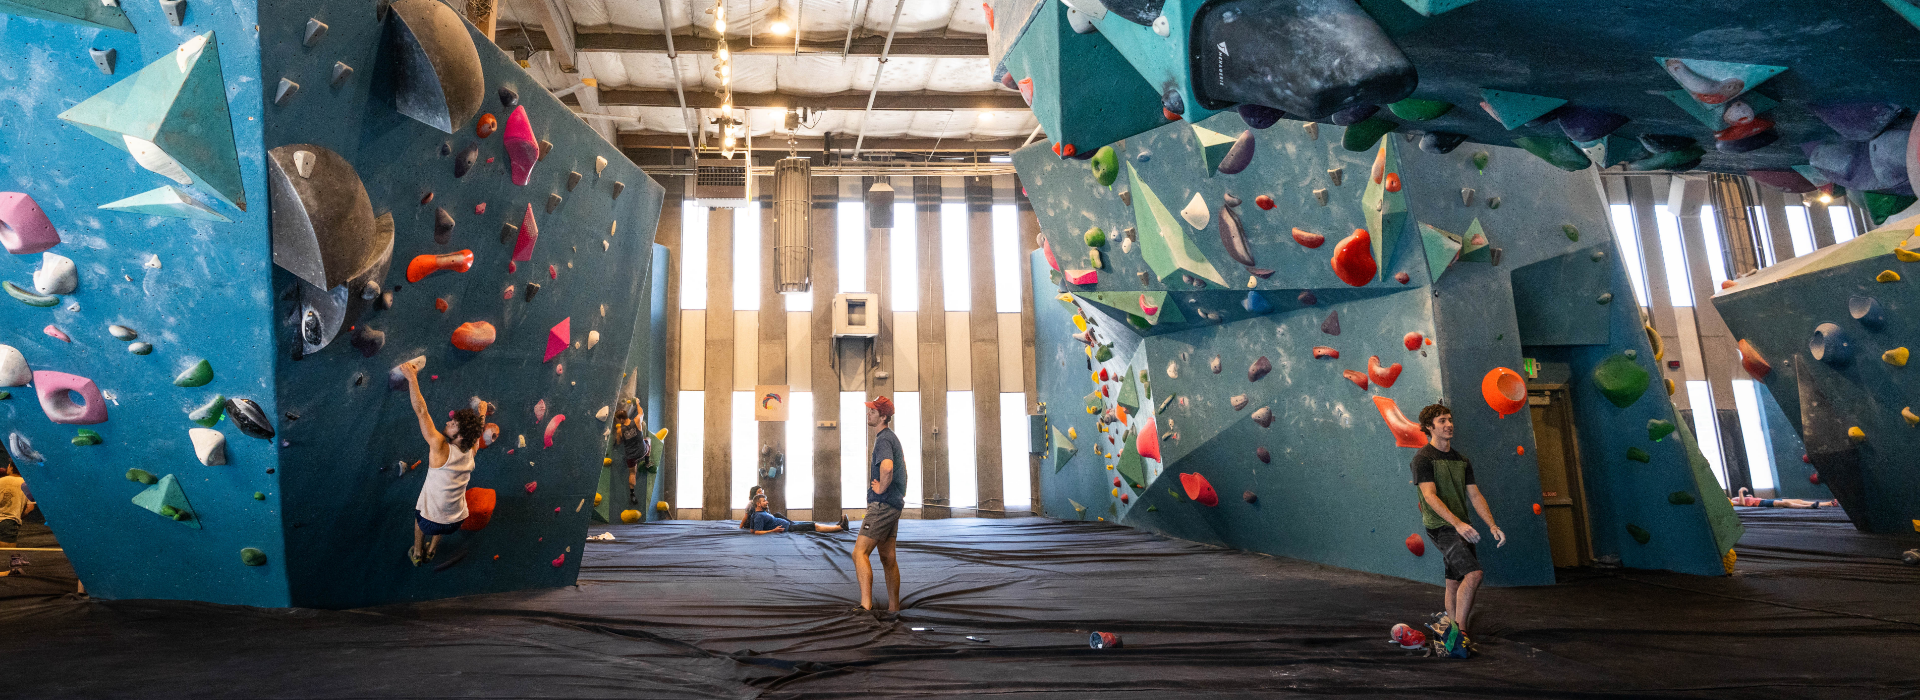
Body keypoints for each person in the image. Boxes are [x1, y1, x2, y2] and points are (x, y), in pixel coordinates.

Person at [1412, 403, 1504, 638]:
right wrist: (1458, 524)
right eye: (1442, 420)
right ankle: (1459, 633)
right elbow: (1430, 496)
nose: (1449, 424)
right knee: (1473, 575)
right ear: (1428, 427)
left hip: (1461, 525)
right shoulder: (1423, 459)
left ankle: (1450, 627)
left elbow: (1475, 494)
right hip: (1441, 526)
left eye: (1450, 419)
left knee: (1454, 581)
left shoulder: (1462, 460)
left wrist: (1492, 524)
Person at [399, 362, 484, 566]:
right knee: (442, 521)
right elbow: (478, 432)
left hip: (431, 521)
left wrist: (412, 378)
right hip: (455, 521)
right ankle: (433, 549)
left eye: (453, 424)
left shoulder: (440, 447)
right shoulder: (472, 449)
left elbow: (422, 411)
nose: (448, 422)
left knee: (421, 522)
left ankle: (418, 552)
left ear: (460, 436)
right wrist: (481, 412)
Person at [852, 396, 906, 614]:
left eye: (873, 411)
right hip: (894, 505)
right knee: (887, 557)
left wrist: (881, 489)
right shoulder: (892, 438)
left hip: (882, 505)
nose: (869, 414)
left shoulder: (883, 439)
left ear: (883, 417)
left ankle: (866, 606)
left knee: (859, 553)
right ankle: (894, 608)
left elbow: (887, 468)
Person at [745, 492, 848, 534]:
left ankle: (837, 525)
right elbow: (756, 532)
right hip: (789, 528)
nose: (767, 502)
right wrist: (773, 530)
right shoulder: (758, 516)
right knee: (814, 525)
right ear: (758, 504)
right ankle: (840, 527)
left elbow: (752, 530)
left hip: (789, 524)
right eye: (764, 501)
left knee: (777, 514)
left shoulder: (760, 513)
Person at [614, 400, 651, 505]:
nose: (617, 421)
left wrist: (619, 434)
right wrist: (638, 403)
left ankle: (632, 494)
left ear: (621, 419)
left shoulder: (620, 430)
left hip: (631, 456)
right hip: (641, 451)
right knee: (648, 440)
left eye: (617, 420)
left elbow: (618, 442)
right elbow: (641, 413)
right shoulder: (637, 421)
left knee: (632, 473)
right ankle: (647, 462)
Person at [0, 459, 31, 551]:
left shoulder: (1, 480)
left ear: (10, 467)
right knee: (6, 556)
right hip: (10, 521)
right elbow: (30, 507)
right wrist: (18, 515)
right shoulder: (26, 485)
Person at [1730, 487, 1836, 509]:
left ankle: (1828, 503)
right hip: (1762, 503)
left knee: (1798, 500)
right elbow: (1743, 504)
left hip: (1761, 500)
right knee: (1786, 504)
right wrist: (1740, 492)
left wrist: (1750, 497)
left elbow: (1746, 501)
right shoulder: (1732, 502)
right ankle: (1810, 506)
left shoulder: (1733, 498)